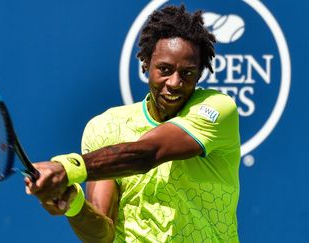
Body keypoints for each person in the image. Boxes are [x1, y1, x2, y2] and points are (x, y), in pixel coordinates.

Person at [25, 5, 240, 242]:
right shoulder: (106, 127)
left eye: (187, 73)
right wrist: (73, 203)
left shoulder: (218, 109)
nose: (175, 82)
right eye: (165, 70)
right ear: (146, 64)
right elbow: (101, 235)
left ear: (199, 74)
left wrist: (68, 169)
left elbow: (150, 152)